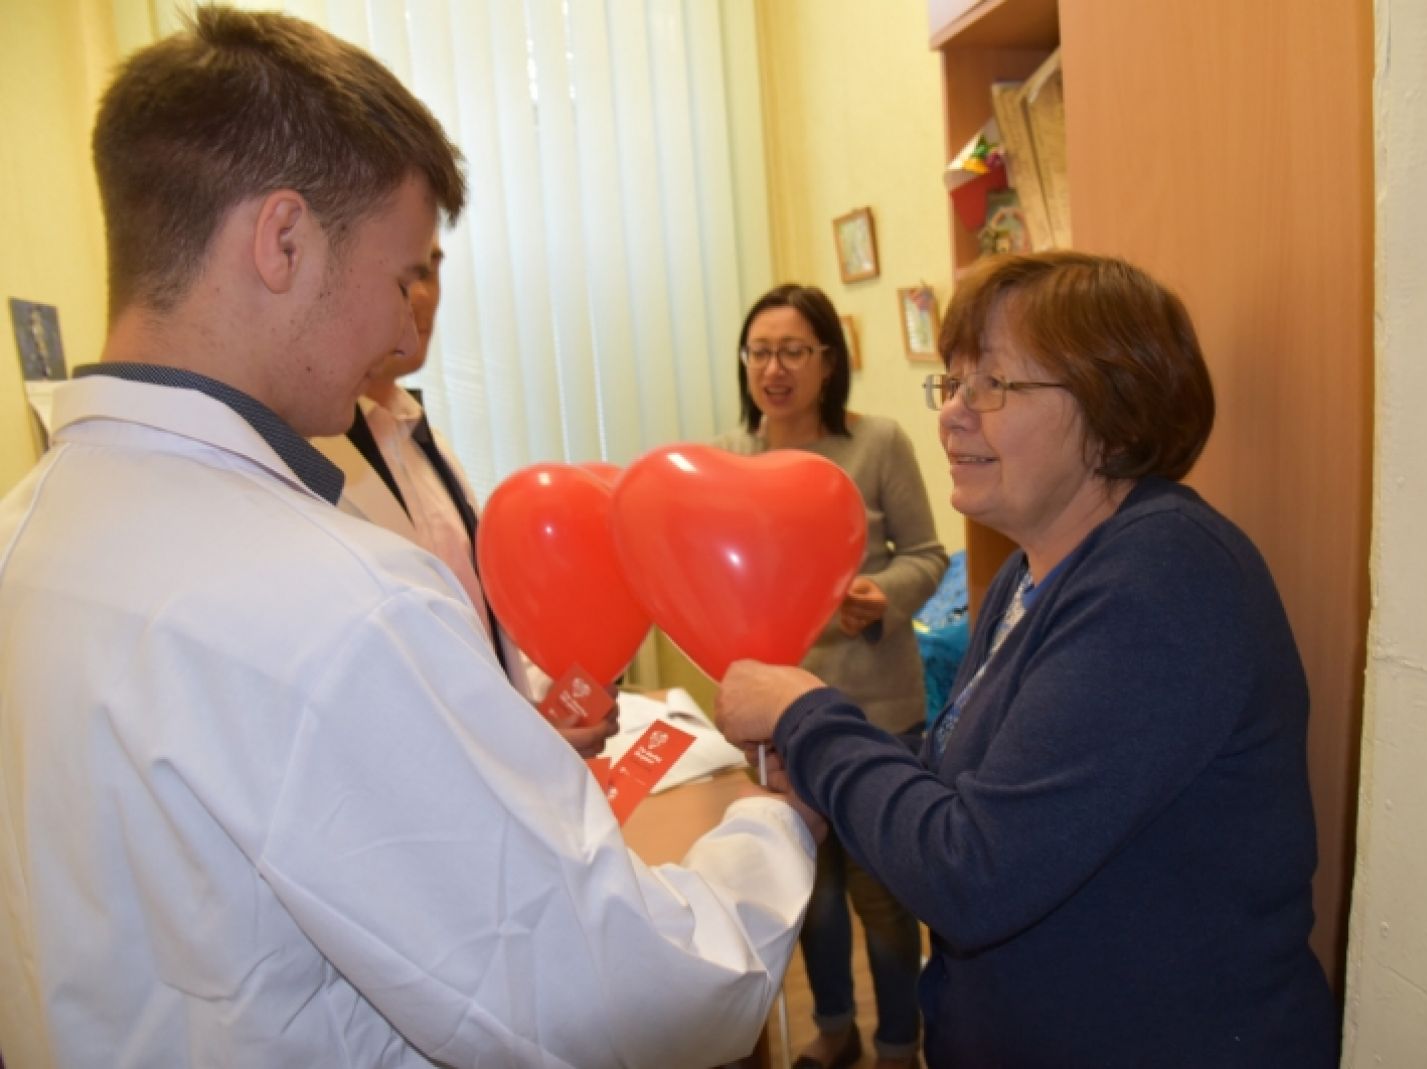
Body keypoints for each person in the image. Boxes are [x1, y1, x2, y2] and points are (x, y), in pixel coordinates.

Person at [0, 9, 820, 1068]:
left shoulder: (26, 532)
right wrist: (776, 825)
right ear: (283, 241)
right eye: (398, 277)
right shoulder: (337, 603)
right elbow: (623, 998)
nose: (403, 329)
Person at [717, 252, 1341, 1067]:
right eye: (953, 382)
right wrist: (826, 780)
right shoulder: (1031, 571)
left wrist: (805, 715)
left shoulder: (1164, 579)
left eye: (994, 384)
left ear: (1116, 413)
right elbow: (962, 781)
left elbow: (972, 871)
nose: (952, 415)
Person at [715, 284, 948, 1069]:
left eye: (792, 351)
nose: (773, 369)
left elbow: (927, 553)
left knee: (883, 898)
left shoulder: (877, 443)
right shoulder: (727, 458)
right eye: (759, 352)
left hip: (877, 710)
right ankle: (835, 1028)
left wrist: (884, 594)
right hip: (779, 721)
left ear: (827, 360)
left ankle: (899, 1042)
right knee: (808, 894)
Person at [311, 229, 617, 757]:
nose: (422, 294)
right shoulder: (305, 458)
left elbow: (473, 628)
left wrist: (539, 704)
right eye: (407, 273)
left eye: (431, 269)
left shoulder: (424, 442)